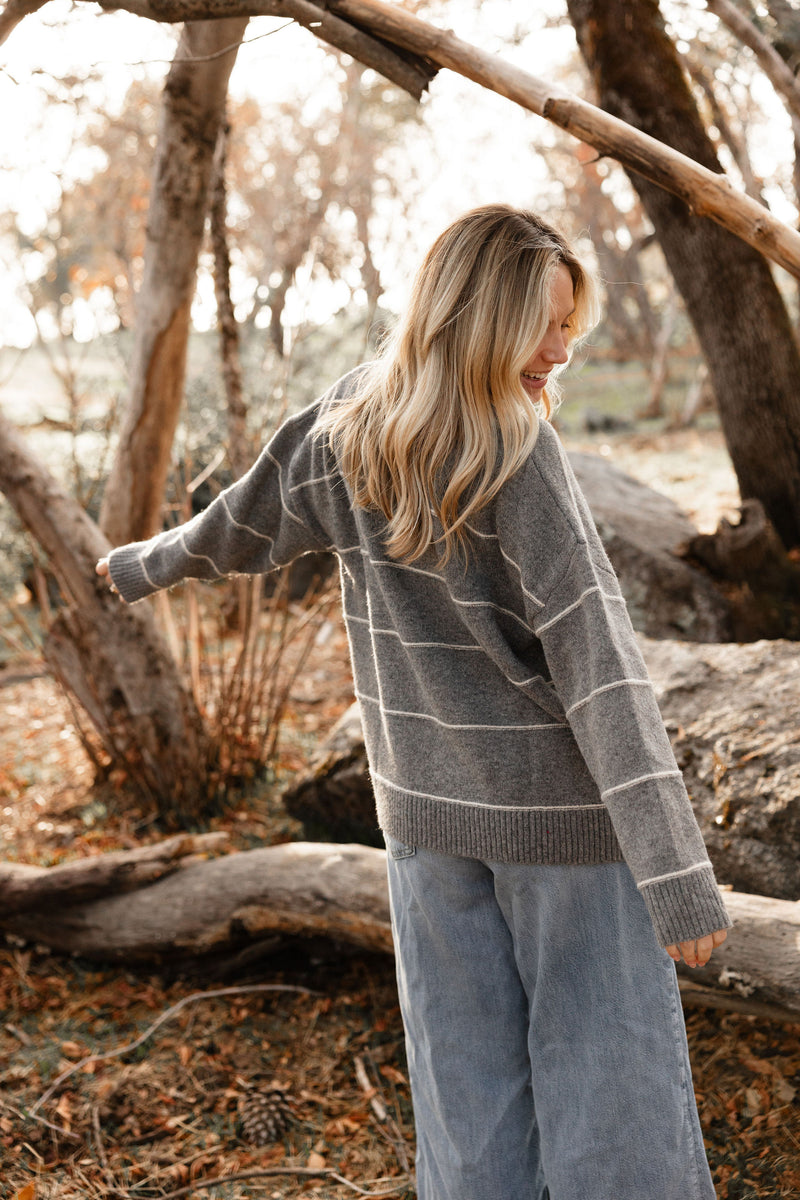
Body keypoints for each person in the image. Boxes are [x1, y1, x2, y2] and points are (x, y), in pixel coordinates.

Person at [97, 204, 730, 1200]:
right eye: (544, 325)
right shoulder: (517, 455)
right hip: (559, 827)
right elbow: (598, 664)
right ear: (476, 316)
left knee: (463, 1094)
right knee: (611, 1098)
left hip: (427, 822)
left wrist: (141, 566)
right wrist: (675, 873)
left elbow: (237, 525)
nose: (561, 351)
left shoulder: (346, 421)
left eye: (570, 325)